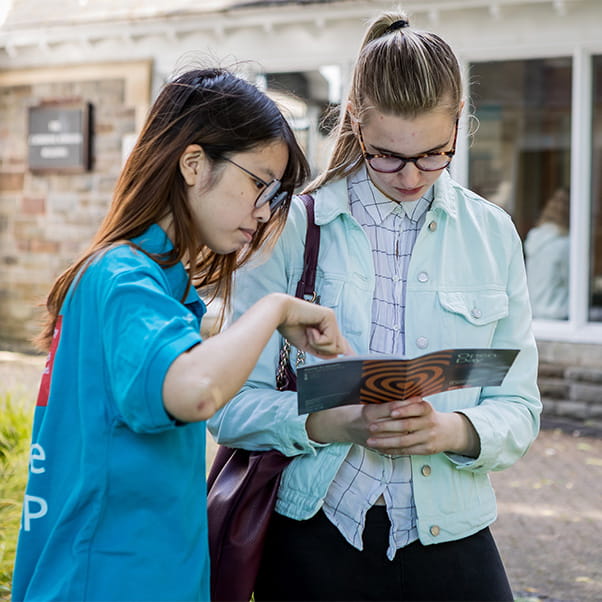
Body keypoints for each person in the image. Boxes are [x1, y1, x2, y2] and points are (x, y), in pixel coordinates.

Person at [208, 11, 542, 602]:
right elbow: (229, 406)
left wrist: (452, 429)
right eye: (388, 155)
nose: (412, 176)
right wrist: (330, 422)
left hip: (453, 531)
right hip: (313, 533)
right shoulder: (289, 228)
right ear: (356, 124)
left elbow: (517, 404)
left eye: (435, 153)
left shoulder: (494, 234)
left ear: (460, 125)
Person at [11, 67, 349, 602]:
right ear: (194, 163)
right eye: (259, 183)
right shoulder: (124, 278)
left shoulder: (147, 282)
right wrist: (273, 310)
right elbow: (196, 392)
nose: (264, 212)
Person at [525, 188, 570, 319]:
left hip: (533, 313)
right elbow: (573, 283)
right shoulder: (565, 244)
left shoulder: (534, 236)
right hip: (558, 314)